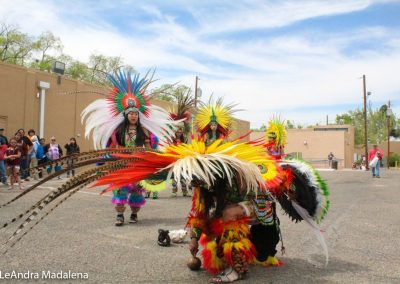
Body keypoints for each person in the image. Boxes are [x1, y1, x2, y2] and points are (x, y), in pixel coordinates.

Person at [81, 69, 181, 226]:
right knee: (120, 188)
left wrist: (150, 157)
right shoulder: (118, 131)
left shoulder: (144, 131)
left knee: (136, 190)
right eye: (131, 113)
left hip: (138, 163)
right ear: (126, 115)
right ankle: (120, 215)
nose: (134, 115)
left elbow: (149, 147)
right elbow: (112, 146)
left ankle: (134, 214)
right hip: (121, 164)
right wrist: (114, 155)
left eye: (136, 113)